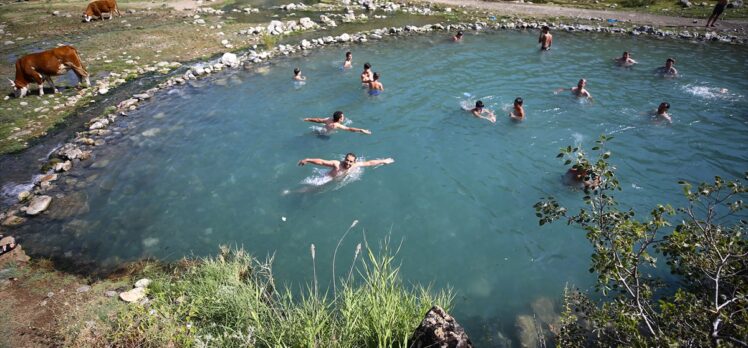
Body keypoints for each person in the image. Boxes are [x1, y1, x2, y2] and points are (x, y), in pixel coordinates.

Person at [298, 153, 394, 178]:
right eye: (347, 160)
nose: (348, 163)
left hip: (337, 178)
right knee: (311, 189)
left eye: (350, 161)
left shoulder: (356, 165)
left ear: (354, 161)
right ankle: (292, 192)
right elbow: (322, 162)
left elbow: (369, 163)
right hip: (326, 179)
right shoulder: (337, 164)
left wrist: (383, 161)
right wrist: (308, 160)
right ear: (344, 159)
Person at [303, 111, 371, 134]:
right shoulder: (337, 125)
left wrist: (308, 119)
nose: (344, 117)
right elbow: (349, 129)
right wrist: (361, 130)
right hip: (325, 135)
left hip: (320, 130)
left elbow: (318, 120)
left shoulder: (328, 119)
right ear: (339, 119)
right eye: (343, 117)